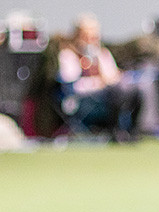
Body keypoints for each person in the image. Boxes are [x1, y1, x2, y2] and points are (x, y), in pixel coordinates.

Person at [57, 13, 141, 142]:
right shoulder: (68, 55)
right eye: (87, 36)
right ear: (78, 36)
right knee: (116, 91)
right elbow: (71, 85)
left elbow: (113, 77)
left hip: (109, 96)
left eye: (94, 36)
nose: (92, 40)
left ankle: (131, 132)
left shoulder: (102, 54)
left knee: (135, 90)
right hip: (84, 101)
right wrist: (97, 83)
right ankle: (115, 131)